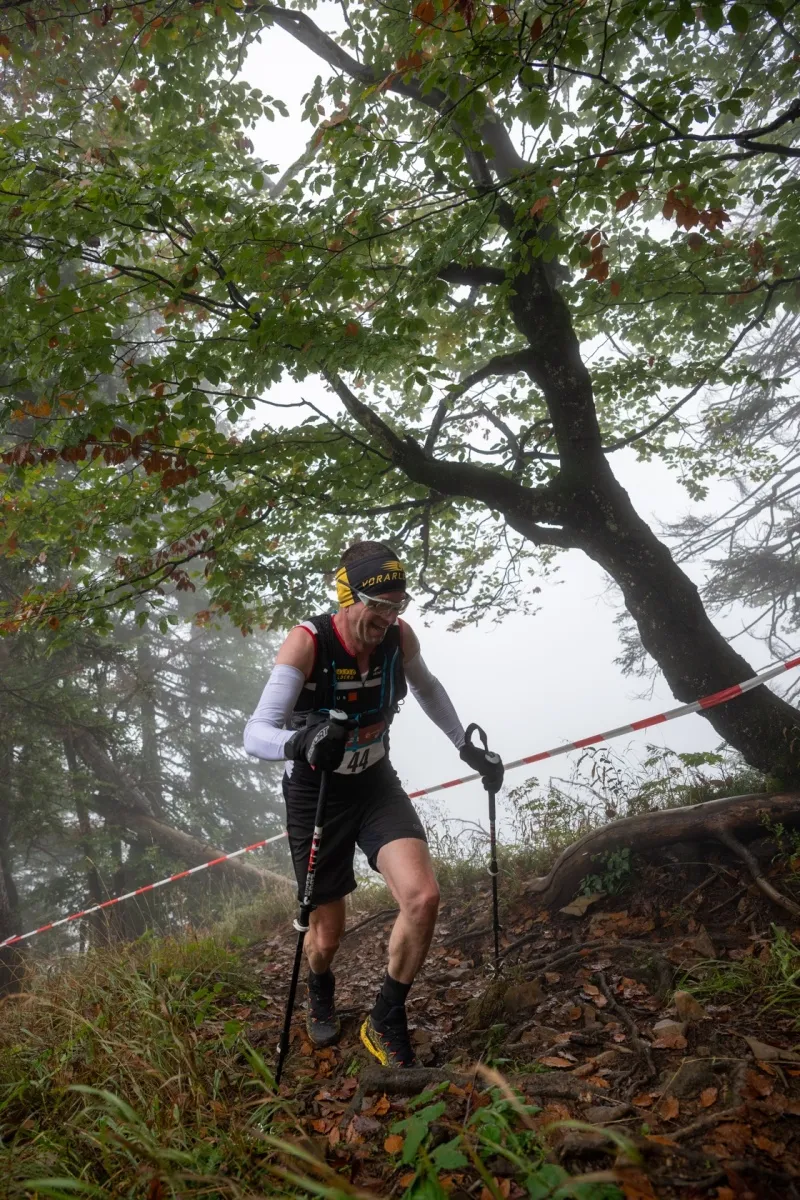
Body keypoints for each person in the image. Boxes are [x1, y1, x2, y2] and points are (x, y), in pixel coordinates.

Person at [243, 541, 503, 1068]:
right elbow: (255, 734)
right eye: (378, 604)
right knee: (327, 934)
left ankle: (385, 1016)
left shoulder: (399, 639)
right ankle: (321, 986)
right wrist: (300, 743)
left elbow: (427, 689)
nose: (388, 617)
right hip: (316, 795)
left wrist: (464, 744)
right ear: (347, 595)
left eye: (397, 605)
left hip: (375, 782)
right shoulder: (307, 643)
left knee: (423, 897)